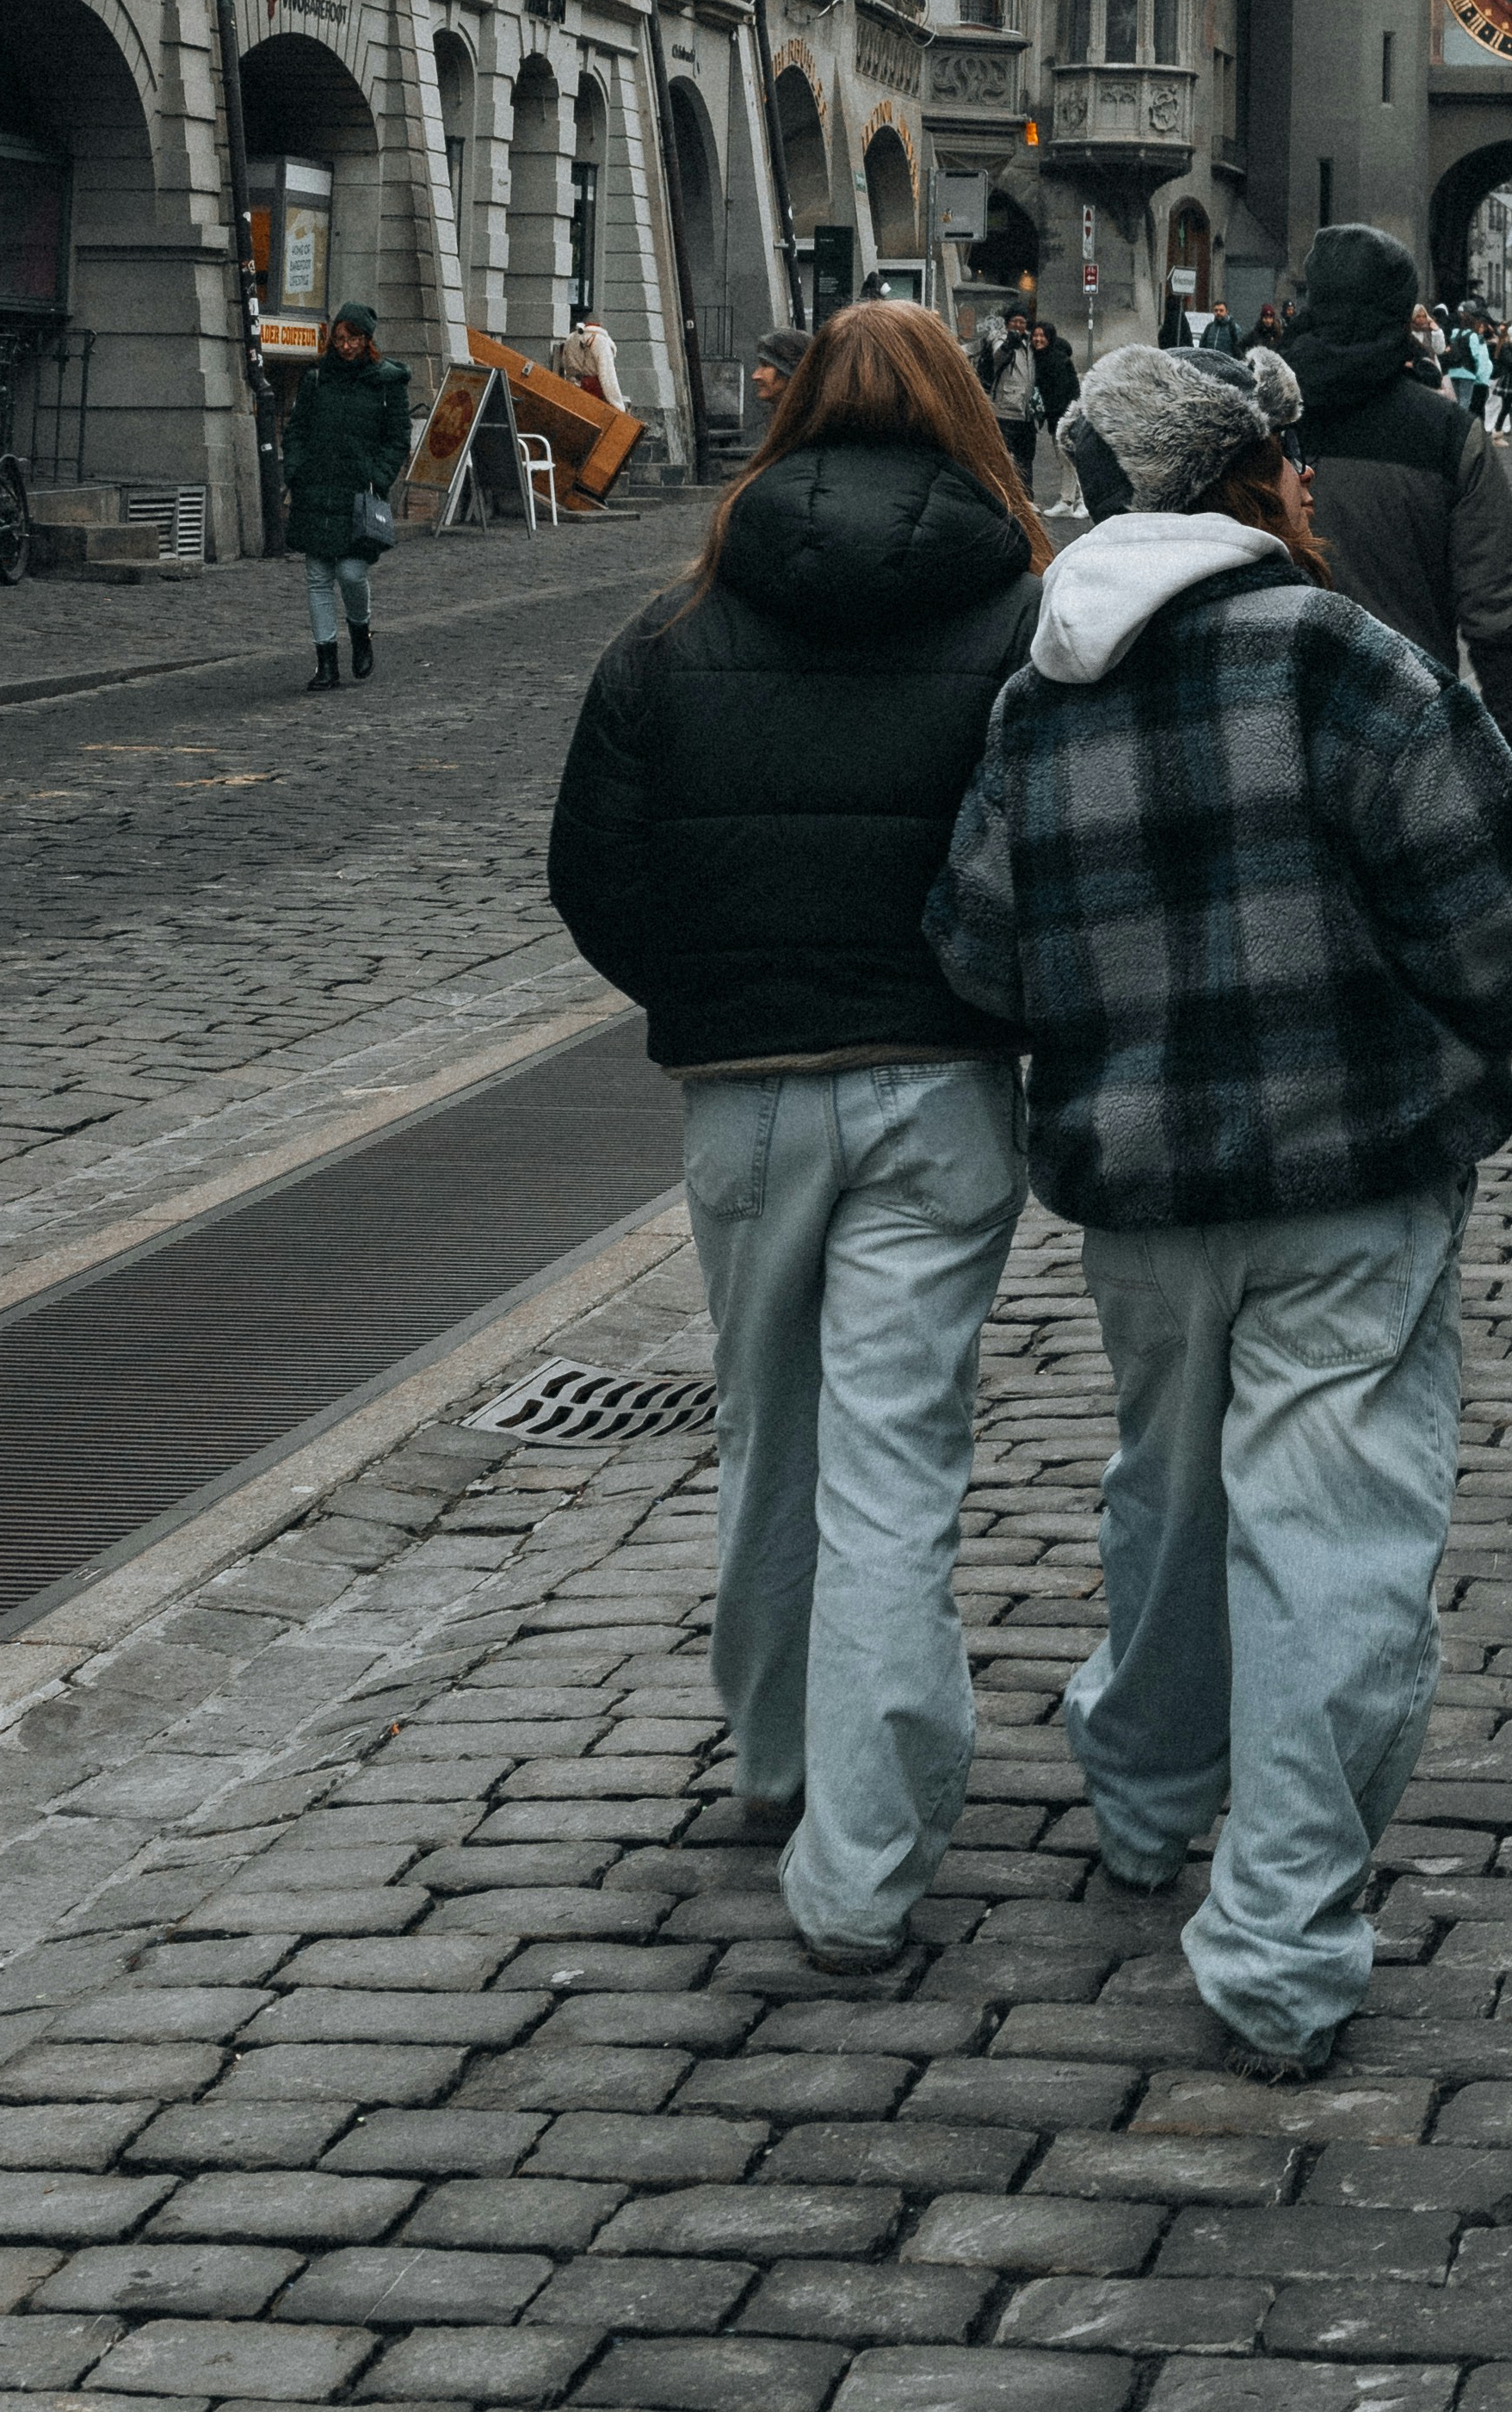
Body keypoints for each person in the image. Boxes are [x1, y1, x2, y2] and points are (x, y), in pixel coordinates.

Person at [924, 343, 1512, 2077]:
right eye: (1287, 468)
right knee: (1331, 1536)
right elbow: (1485, 925)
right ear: (1257, 481)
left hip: (1137, 1187)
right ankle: (1278, 1930)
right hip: (1349, 1168)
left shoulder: (1039, 687)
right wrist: (1462, 1023)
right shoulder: (1342, 657)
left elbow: (976, 946)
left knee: (1169, 1490)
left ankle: (1141, 1794)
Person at [545, 305, 1043, 1967]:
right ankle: (868, 1859)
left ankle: (772, 1758)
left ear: (786, 419)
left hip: (745, 1094)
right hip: (941, 1081)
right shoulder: (1023, 623)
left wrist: (707, 987)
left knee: (768, 1432)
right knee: (896, 1465)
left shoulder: (671, 628)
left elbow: (595, 876)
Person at [1280, 225, 1512, 794]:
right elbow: (1500, 621)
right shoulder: (1446, 435)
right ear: (1403, 315)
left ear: (1312, 304)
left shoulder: (1250, 422)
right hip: (1405, 737)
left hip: (1266, 732)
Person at [284, 303, 412, 691]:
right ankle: (326, 663)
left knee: (351, 572)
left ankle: (361, 633)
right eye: (339, 338)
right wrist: (296, 469)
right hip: (316, 488)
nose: (346, 346)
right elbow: (297, 430)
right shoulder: (317, 379)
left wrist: (378, 476)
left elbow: (398, 439)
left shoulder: (387, 383)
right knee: (318, 577)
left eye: (353, 337)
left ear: (367, 339)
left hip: (359, 493)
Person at [974, 297, 1044, 488]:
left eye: (1022, 322)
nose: (1019, 325)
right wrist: (1008, 345)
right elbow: (998, 355)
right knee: (1000, 459)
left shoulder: (1030, 342)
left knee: (1026, 461)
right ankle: (998, 494)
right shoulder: (1001, 338)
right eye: (1015, 321)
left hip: (1026, 414)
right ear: (1007, 322)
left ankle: (1027, 499)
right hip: (1005, 410)